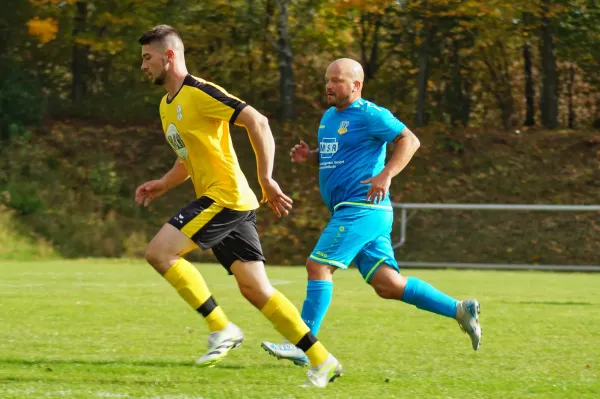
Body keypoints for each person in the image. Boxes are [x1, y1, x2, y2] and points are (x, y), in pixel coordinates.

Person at [135, 25, 342, 387]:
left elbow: (257, 121)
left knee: (160, 253)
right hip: (230, 202)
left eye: (147, 57)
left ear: (169, 56)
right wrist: (163, 184)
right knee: (256, 290)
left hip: (225, 198)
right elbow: (187, 158)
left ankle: (221, 328)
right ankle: (322, 360)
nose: (143, 66)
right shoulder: (166, 106)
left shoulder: (199, 92)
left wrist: (267, 178)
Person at [261, 58, 482, 367]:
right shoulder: (328, 117)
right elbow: (336, 156)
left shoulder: (371, 114)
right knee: (387, 284)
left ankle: (303, 344)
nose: (329, 85)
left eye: (337, 80)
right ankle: (459, 309)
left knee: (317, 266)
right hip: (361, 212)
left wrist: (387, 174)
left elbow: (410, 140)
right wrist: (310, 157)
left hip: (361, 208)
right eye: (327, 79)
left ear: (356, 85)